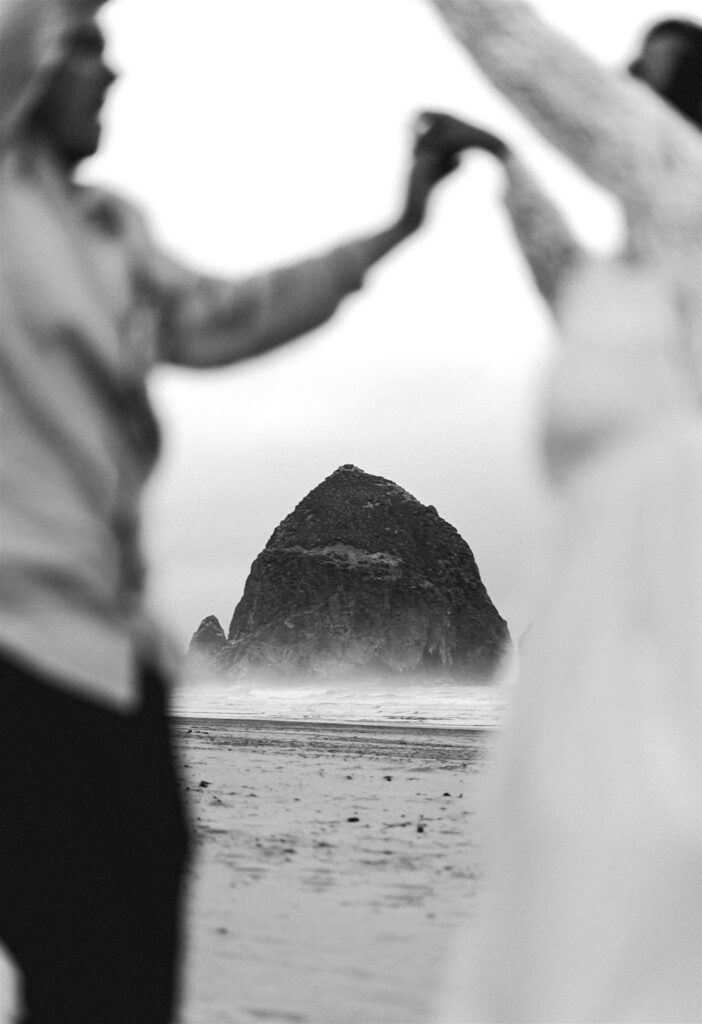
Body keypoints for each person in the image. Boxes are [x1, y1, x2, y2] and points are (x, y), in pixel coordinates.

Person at [0, 2, 457, 1021]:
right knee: (76, 944)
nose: (112, 79)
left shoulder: (110, 232)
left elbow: (225, 315)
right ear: (28, 63)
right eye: (87, 55)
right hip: (13, 647)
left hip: (115, 653)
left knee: (129, 965)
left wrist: (396, 227)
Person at [416, 2, 702, 1021]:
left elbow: (539, 66)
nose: (617, 85)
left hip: (686, 625)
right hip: (590, 646)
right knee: (558, 936)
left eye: (644, 73)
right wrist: (505, 169)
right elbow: (558, 263)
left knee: (653, 907)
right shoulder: (626, 284)